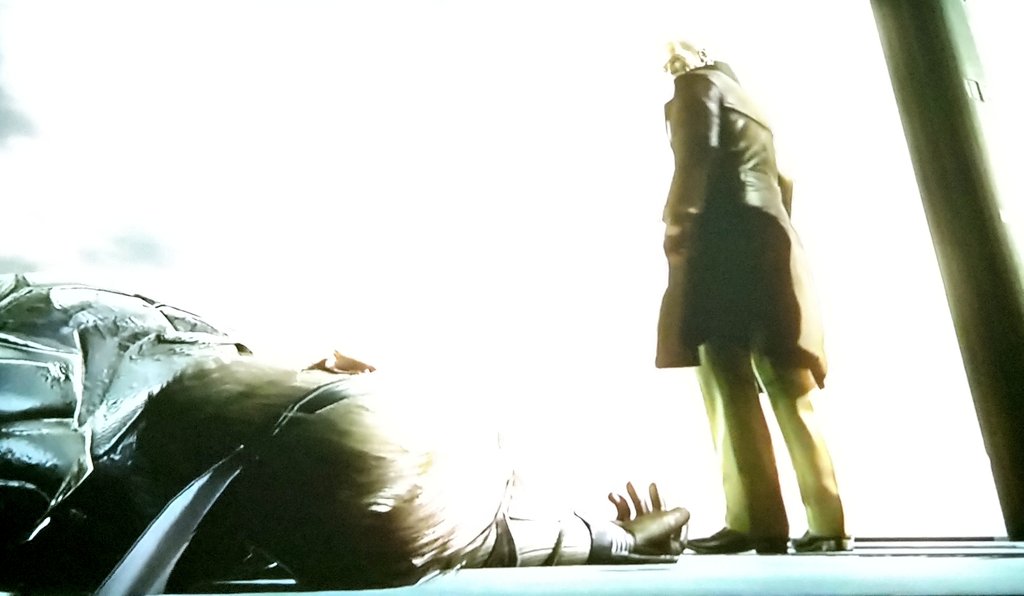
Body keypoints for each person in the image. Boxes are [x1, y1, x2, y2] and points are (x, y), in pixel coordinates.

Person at [0, 275, 689, 593]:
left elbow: (461, 533)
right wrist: (618, 540)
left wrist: (620, 539)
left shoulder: (283, 482)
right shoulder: (287, 503)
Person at [654, 40, 850, 554]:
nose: (669, 62)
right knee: (789, 381)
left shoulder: (693, 88)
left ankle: (753, 520)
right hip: (771, 239)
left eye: (674, 53)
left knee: (726, 379)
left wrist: (678, 225)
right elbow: (785, 179)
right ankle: (829, 521)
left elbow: (694, 162)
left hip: (722, 243)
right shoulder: (751, 102)